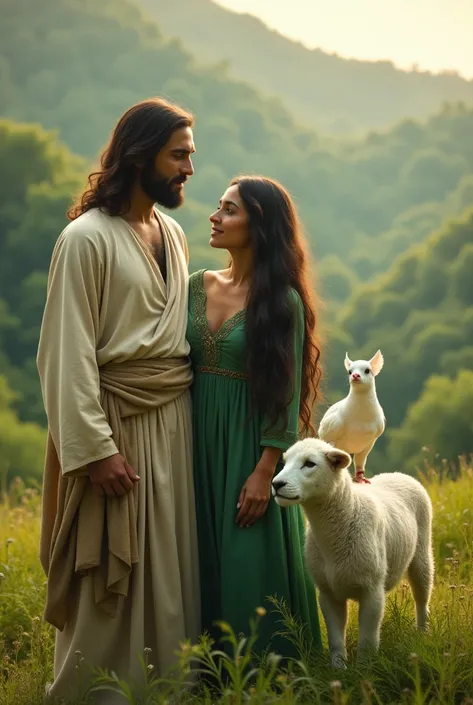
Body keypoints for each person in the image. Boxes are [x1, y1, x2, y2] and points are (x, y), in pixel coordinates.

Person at [37, 97, 200, 702]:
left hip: (174, 424)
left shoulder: (174, 233)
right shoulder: (85, 239)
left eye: (191, 156)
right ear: (140, 155)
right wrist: (95, 449)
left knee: (170, 571)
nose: (188, 168)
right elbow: (65, 353)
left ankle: (170, 689)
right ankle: (98, 693)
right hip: (116, 429)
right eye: (178, 155)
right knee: (113, 573)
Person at [187, 175, 323, 659]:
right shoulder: (192, 286)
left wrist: (265, 473)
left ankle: (264, 678)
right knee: (195, 563)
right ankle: (200, 675)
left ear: (258, 224)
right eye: (219, 206)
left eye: (229, 209)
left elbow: (285, 397)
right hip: (190, 444)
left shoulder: (282, 302)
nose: (215, 215)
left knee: (247, 565)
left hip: (249, 452)